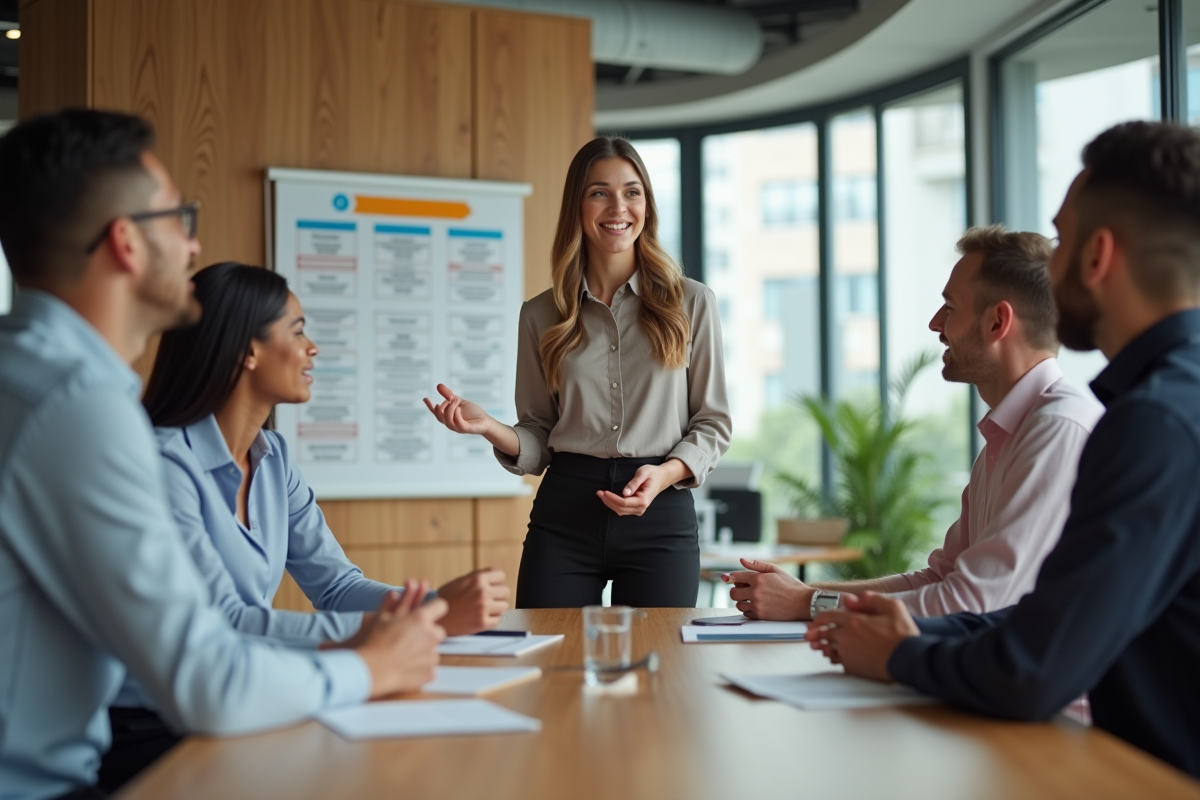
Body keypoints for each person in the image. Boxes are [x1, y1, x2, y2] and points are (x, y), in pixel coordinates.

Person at [0, 109, 447, 800]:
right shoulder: (80, 408)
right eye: (178, 220)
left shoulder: (27, 376)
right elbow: (206, 676)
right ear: (125, 243)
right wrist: (373, 664)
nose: (192, 244)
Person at [805, 121, 1200, 779]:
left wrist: (899, 656)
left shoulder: (1152, 423)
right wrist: (904, 635)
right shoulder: (1170, 404)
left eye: (1063, 238)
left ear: (1098, 255)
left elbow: (1035, 669)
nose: (1052, 261)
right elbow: (1058, 618)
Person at [91, 261, 508, 792]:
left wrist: (421, 612)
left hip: (240, 697)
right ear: (247, 350)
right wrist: (409, 627)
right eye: (297, 331)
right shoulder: (164, 465)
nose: (314, 349)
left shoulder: (274, 457)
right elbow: (225, 622)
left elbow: (335, 585)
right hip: (153, 726)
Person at [725, 226, 1103, 620]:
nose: (935, 324)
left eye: (950, 308)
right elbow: (940, 578)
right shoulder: (1010, 434)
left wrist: (810, 605)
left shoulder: (1057, 429)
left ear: (997, 323)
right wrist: (804, 592)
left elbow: (973, 601)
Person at [425, 136, 732, 608]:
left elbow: (713, 423)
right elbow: (540, 436)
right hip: (565, 514)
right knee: (549, 666)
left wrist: (666, 474)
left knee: (656, 672)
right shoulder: (540, 315)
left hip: (660, 513)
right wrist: (490, 428)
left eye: (632, 191)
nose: (618, 207)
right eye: (599, 192)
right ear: (578, 205)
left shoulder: (691, 303)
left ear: (646, 203)